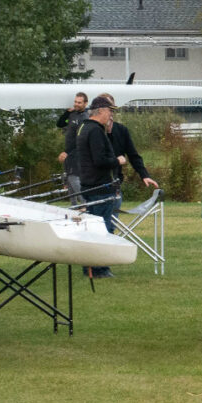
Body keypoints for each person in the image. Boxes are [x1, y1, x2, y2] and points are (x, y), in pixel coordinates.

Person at [74, 96, 127, 278]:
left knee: (91, 229)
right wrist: (118, 160)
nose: (111, 115)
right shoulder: (96, 131)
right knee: (102, 229)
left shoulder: (83, 127)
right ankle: (99, 269)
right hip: (100, 187)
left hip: (88, 185)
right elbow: (100, 160)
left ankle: (89, 267)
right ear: (102, 111)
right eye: (110, 111)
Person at [99, 94, 160, 208]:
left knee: (111, 223)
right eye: (107, 109)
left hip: (114, 183)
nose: (110, 113)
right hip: (95, 185)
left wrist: (144, 175)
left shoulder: (121, 130)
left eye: (112, 109)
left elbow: (133, 155)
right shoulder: (92, 130)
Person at [57, 92, 89, 206]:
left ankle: (85, 203)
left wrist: (67, 152)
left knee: (73, 177)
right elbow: (60, 124)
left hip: (77, 152)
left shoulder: (85, 117)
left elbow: (80, 139)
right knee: (69, 179)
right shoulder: (72, 114)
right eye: (75, 102)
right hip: (69, 151)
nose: (76, 104)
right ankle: (74, 205)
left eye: (79, 102)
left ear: (85, 103)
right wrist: (67, 112)